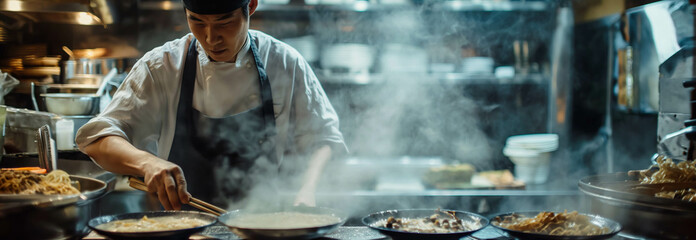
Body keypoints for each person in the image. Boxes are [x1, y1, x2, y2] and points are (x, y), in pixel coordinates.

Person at [75, 0, 346, 210]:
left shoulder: (284, 62)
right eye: (197, 21)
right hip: (182, 228)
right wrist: (147, 163)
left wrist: (307, 190)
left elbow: (323, 139)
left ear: (250, 5)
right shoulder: (162, 66)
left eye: (224, 22)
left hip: (262, 226)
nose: (210, 37)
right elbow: (97, 139)